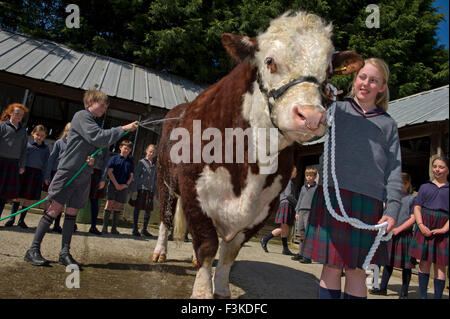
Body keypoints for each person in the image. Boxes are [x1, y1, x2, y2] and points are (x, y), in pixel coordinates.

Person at [301, 58, 402, 299]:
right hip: (333, 196)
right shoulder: (336, 109)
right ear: (354, 79)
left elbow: (394, 170)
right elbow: (308, 133)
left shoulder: (388, 124)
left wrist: (394, 208)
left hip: (369, 201)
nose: (366, 83)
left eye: (374, 80)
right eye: (362, 77)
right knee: (332, 267)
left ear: (382, 87)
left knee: (357, 272)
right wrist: (312, 121)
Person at [24, 89, 138, 267]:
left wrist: (93, 160)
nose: (104, 109)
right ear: (91, 101)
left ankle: (64, 253)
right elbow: (98, 137)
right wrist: (123, 128)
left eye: (106, 107)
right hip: (69, 171)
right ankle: (33, 249)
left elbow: (96, 145)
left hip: (84, 174)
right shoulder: (82, 116)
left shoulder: (94, 121)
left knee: (72, 212)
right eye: (102, 105)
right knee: (54, 210)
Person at [369, 172, 416, 298]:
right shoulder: (391, 199)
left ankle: (404, 293)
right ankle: (383, 288)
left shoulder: (412, 199)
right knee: (387, 263)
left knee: (406, 266)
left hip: (404, 235)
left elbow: (413, 218)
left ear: (407, 185)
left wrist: (399, 229)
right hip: (390, 234)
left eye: (401, 184)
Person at [409, 156, 449, 299]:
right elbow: (417, 207)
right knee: (424, 262)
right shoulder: (425, 187)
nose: (437, 170)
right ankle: (423, 296)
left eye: (441, 167)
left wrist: (444, 229)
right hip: (424, 227)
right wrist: (420, 225)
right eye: (435, 166)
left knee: (440, 265)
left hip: (443, 230)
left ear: (448, 169)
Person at [5, 125, 50, 228]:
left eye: (42, 136)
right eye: (37, 134)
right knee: (17, 196)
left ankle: (22, 220)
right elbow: (21, 158)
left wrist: (45, 177)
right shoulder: (27, 145)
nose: (39, 137)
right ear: (32, 134)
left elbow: (46, 164)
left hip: (36, 175)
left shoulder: (46, 149)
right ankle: (12, 218)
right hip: (24, 172)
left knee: (28, 198)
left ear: (45, 137)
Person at [0, 103, 29, 220]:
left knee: (3, 196)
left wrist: (22, 165)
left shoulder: (23, 132)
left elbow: (24, 150)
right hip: (1, 162)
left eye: (21, 115)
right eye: (16, 113)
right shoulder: (2, 126)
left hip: (13, 165)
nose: (18, 116)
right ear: (10, 113)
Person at [260, 166, 297, 255]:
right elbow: (288, 195)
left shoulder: (287, 181)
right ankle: (265, 239)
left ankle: (285, 249)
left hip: (285, 204)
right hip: (286, 204)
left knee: (285, 228)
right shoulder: (288, 181)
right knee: (284, 227)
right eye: (295, 172)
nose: (296, 174)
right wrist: (297, 204)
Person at [101, 140, 134, 235]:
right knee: (109, 203)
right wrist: (116, 184)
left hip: (124, 186)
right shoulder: (114, 158)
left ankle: (114, 228)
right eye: (125, 148)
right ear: (120, 147)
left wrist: (126, 185)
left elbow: (131, 175)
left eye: (128, 149)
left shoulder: (130, 162)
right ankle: (104, 227)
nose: (126, 150)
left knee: (118, 206)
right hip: (113, 185)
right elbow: (110, 172)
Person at [43, 123, 70, 233]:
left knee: (61, 200)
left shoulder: (76, 145)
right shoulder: (59, 143)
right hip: (56, 173)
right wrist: (47, 175)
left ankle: (57, 224)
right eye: (69, 130)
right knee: (50, 199)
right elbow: (51, 159)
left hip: (66, 175)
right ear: (66, 131)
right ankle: (45, 223)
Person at [129, 144, 157, 237]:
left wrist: (155, 193)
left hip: (150, 190)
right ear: (146, 151)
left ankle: (144, 229)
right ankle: (135, 229)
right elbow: (136, 176)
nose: (151, 153)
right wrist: (135, 189)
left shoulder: (154, 165)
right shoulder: (141, 162)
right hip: (141, 189)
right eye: (150, 151)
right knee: (137, 209)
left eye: (153, 152)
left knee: (148, 210)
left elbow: (155, 179)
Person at [291, 167, 318, 264]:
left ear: (315, 176)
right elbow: (300, 200)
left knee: (309, 234)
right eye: (307, 175)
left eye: (311, 175)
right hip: (301, 211)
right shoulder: (303, 187)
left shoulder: (317, 188)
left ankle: (308, 256)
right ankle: (301, 253)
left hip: (310, 212)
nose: (309, 177)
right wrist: (297, 211)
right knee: (301, 233)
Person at [88, 147, 110, 235]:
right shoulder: (90, 143)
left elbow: (105, 165)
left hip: (97, 175)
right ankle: (72, 224)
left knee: (95, 201)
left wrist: (103, 179)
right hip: (86, 173)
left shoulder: (105, 148)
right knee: (79, 199)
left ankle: (93, 226)